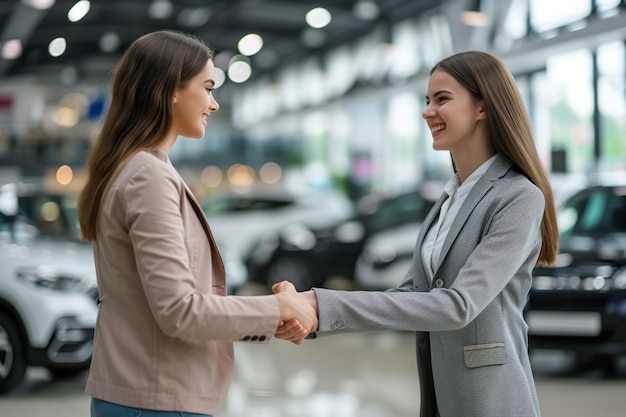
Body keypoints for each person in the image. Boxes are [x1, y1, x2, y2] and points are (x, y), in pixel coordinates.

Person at [274, 50, 559, 417]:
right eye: (427, 101)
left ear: (482, 107)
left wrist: (319, 304)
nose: (427, 111)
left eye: (442, 99)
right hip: (441, 397)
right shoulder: (449, 196)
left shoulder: (518, 196)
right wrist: (317, 319)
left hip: (492, 399)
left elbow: (458, 305)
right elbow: (413, 294)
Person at [77, 30, 315, 417]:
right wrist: (277, 307)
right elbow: (179, 310)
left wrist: (276, 316)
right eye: (207, 87)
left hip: (146, 395)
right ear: (172, 88)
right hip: (154, 400)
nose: (214, 103)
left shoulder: (139, 169)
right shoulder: (148, 176)